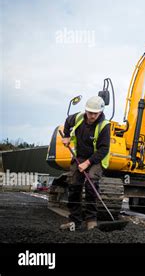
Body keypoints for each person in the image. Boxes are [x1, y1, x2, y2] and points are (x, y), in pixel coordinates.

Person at [59, 96, 110, 231]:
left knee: (91, 184)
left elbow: (104, 149)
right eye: (89, 112)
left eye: (95, 113)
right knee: (74, 185)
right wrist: (66, 135)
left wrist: (87, 163)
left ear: (100, 112)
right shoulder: (79, 117)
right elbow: (68, 121)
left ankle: (91, 220)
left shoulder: (104, 126)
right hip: (80, 156)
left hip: (96, 159)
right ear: (86, 110)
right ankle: (74, 220)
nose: (92, 116)